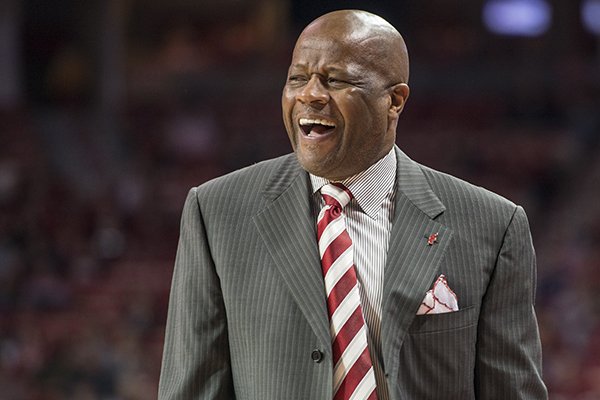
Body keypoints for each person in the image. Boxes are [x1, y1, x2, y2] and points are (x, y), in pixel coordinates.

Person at [158, 9, 548, 400]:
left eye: (334, 80)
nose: (309, 95)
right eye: (297, 78)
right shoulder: (216, 212)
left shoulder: (493, 225)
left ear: (394, 100)